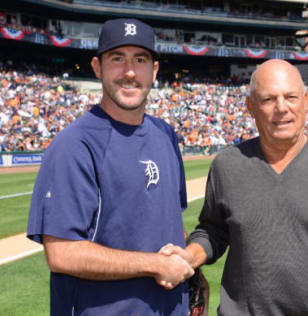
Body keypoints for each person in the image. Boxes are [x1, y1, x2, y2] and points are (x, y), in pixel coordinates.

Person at [161, 60, 308, 315]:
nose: (281, 108)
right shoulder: (227, 165)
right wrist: (190, 256)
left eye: (290, 97)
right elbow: (213, 231)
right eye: (269, 99)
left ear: (306, 101)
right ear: (251, 107)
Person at [27, 18, 194, 315]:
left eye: (140, 60)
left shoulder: (165, 134)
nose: (129, 72)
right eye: (117, 59)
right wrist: (155, 264)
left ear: (154, 70)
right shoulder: (74, 145)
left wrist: (194, 279)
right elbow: (62, 253)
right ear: (97, 67)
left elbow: (170, 222)